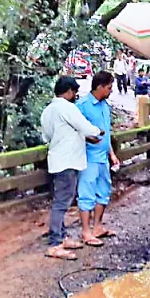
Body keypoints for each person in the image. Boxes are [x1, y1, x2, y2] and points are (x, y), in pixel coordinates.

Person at [40, 77, 102, 259]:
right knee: (61, 203)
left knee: (62, 200)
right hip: (67, 161)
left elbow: (47, 136)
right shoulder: (67, 108)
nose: (75, 96)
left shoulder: (48, 110)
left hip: (57, 159)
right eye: (74, 92)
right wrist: (98, 132)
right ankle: (54, 244)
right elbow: (84, 126)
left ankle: (61, 236)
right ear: (68, 91)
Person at [76, 72, 121, 246]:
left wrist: (112, 154)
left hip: (103, 156)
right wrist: (88, 139)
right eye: (109, 88)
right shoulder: (82, 106)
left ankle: (97, 227)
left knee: (104, 190)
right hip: (89, 156)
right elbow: (75, 130)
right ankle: (85, 232)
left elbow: (106, 133)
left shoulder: (105, 106)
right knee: (87, 192)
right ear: (100, 87)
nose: (111, 91)